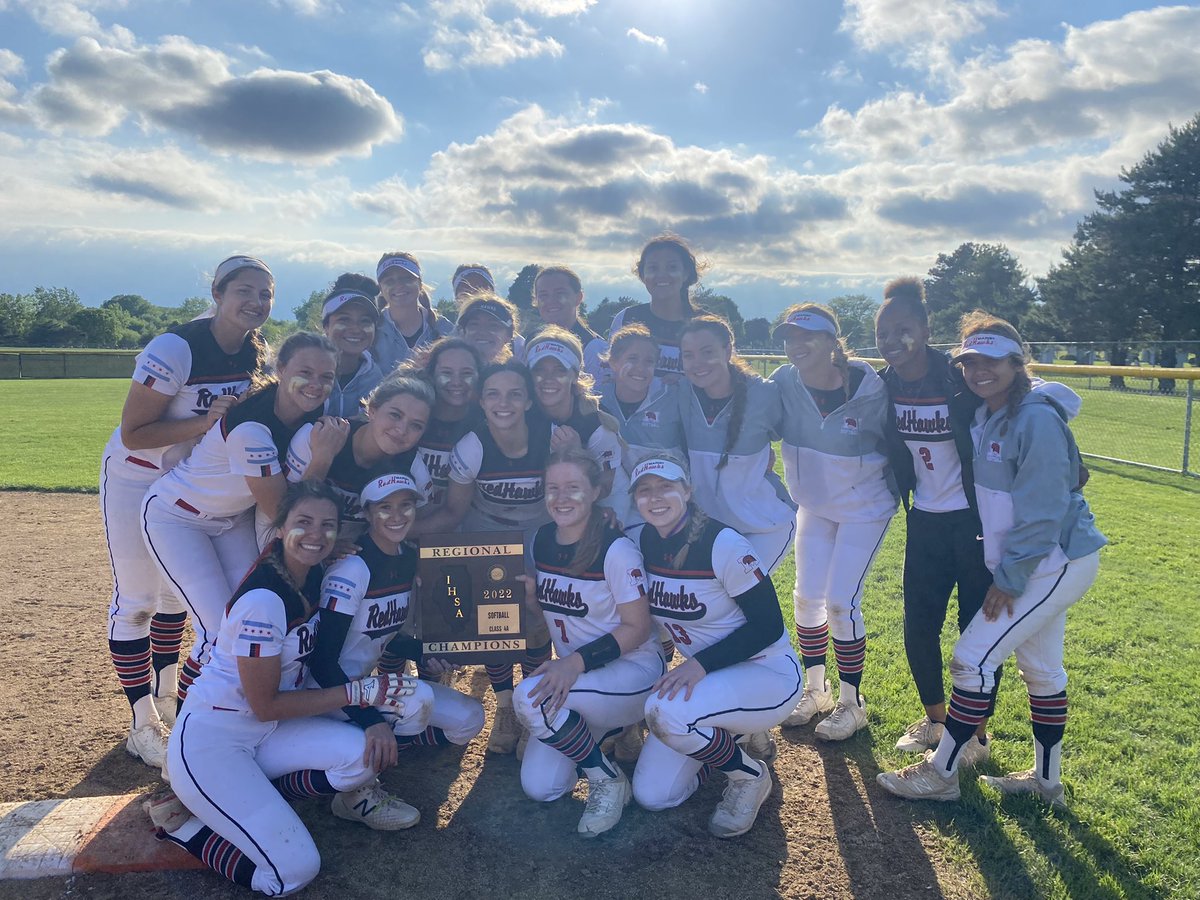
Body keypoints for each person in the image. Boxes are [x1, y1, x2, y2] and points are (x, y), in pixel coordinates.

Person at [149, 482, 421, 896]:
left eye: (327, 526)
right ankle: (184, 825)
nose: (315, 534)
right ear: (280, 527)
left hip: (268, 735)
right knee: (294, 871)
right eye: (303, 523)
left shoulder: (306, 574)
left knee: (364, 757)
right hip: (216, 741)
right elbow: (265, 705)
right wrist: (359, 694)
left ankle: (249, 798)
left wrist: (330, 545)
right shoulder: (265, 599)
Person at [877, 313, 1105, 805]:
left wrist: (1011, 576)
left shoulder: (1036, 415)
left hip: (1052, 560)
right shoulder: (990, 412)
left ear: (1016, 362)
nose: (980, 370)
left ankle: (941, 773)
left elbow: (1043, 514)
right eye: (970, 362)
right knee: (1042, 673)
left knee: (970, 658)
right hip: (1039, 561)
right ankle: (1047, 785)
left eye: (992, 361)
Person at [101, 254, 271, 766]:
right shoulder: (177, 347)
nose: (256, 302)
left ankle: (171, 699)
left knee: (179, 599)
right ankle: (141, 722)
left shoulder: (253, 352)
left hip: (187, 482)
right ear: (217, 294)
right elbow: (135, 431)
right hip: (137, 473)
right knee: (137, 599)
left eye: (266, 294)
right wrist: (204, 424)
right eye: (245, 290)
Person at [141, 332, 339, 708]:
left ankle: (228, 718)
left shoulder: (309, 413)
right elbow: (281, 510)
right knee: (217, 630)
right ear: (280, 369)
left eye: (326, 377)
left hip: (231, 521)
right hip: (178, 518)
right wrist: (323, 458)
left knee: (240, 619)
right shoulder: (252, 426)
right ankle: (189, 732)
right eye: (305, 372)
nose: (316, 384)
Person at [628, 455, 802, 838]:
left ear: (687, 492)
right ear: (634, 499)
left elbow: (768, 625)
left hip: (767, 673)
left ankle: (749, 776)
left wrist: (701, 664)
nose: (655, 498)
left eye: (666, 487)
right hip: (712, 682)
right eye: (644, 490)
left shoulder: (722, 542)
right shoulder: (639, 539)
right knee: (654, 794)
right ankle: (733, 737)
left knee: (663, 710)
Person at [308, 473, 485, 813]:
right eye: (385, 507)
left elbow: (380, 637)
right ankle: (356, 788)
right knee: (416, 702)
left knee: (470, 718)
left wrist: (426, 653)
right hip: (326, 691)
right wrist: (369, 718)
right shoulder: (353, 568)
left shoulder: (406, 557)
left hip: (365, 685)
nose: (397, 515)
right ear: (367, 513)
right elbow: (321, 661)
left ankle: (380, 747)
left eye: (405, 506)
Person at [874, 278, 997, 759]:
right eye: (883, 334)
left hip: (975, 521)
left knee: (976, 627)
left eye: (902, 330)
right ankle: (936, 720)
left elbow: (1019, 395)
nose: (892, 342)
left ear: (925, 329)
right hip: (923, 519)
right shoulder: (885, 384)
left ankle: (976, 736)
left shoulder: (959, 377)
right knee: (918, 624)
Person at [512, 450, 662, 837]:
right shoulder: (542, 539)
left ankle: (605, 778)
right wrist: (530, 599)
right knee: (541, 788)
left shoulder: (617, 548)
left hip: (633, 672)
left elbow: (638, 628)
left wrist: (574, 663)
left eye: (573, 488)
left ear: (596, 491)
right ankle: (598, 736)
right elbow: (550, 615)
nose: (561, 498)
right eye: (553, 488)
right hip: (582, 681)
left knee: (531, 697)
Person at [769, 305, 898, 742]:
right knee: (806, 599)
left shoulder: (872, 387)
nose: (795, 346)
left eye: (806, 337)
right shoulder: (784, 382)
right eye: (788, 337)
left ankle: (851, 702)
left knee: (842, 602)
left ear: (831, 342)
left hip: (865, 509)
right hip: (814, 505)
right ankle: (816, 691)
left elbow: (907, 436)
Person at [414, 361, 555, 753]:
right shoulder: (472, 445)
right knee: (495, 622)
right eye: (493, 393)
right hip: (487, 533)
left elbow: (579, 483)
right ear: (481, 399)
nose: (503, 402)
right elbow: (454, 513)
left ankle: (536, 707)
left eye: (514, 393)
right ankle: (506, 706)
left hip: (540, 534)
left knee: (537, 620)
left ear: (528, 400)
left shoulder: (553, 436)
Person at [677, 315, 797, 574]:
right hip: (709, 529)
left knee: (737, 601)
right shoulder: (680, 392)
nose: (697, 363)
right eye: (688, 355)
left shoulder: (764, 393)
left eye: (707, 352)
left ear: (728, 350)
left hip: (765, 526)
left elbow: (797, 435)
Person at [285, 375, 435, 538]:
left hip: (356, 553)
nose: (402, 429)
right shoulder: (316, 436)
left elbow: (421, 520)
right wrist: (323, 458)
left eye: (416, 425)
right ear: (372, 410)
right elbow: (283, 509)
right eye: (395, 415)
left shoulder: (413, 467)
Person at [597, 325, 686, 530]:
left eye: (649, 361)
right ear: (613, 362)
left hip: (663, 500)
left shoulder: (671, 395)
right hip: (617, 503)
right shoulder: (598, 402)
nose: (641, 368)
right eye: (632, 359)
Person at [525, 327, 622, 506]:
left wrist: (576, 457)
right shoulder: (520, 413)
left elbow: (606, 489)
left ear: (575, 375)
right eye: (539, 370)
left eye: (559, 370)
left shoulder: (596, 424)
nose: (548, 378)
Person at [403, 337, 485, 511]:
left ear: (480, 376)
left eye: (467, 373)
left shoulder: (487, 424)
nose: (457, 382)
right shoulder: (410, 415)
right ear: (431, 374)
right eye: (446, 373)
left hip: (461, 532)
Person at [608, 234, 704, 382]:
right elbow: (611, 375)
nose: (661, 275)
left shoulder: (706, 325)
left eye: (672, 267)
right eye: (653, 268)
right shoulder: (626, 318)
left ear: (686, 273)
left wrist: (685, 386)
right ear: (643, 275)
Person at [373, 252, 454, 374]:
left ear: (420, 283)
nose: (399, 285)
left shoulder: (444, 328)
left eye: (406, 279)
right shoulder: (371, 331)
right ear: (381, 288)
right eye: (389, 281)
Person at [320, 278, 383, 418]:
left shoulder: (376, 379)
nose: (355, 329)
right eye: (344, 320)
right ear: (326, 327)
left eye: (365, 321)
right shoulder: (303, 366)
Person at [532, 265, 607, 380]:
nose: (551, 301)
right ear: (536, 300)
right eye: (543, 295)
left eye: (560, 293)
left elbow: (599, 395)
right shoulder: (531, 342)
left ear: (579, 297)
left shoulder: (595, 348)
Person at [456, 293, 525, 365]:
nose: (482, 332)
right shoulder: (448, 370)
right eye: (474, 324)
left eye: (493, 326)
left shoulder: (517, 374)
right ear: (463, 332)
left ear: (508, 336)